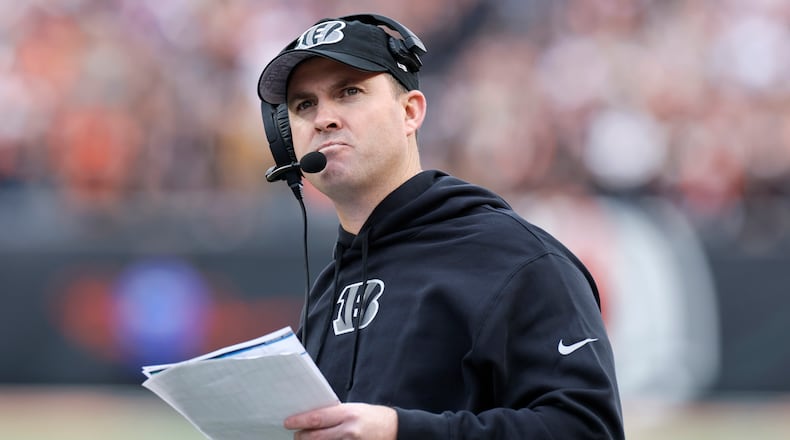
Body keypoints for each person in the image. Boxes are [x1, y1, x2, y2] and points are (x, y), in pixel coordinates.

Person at [257, 13, 624, 440]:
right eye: (305, 105)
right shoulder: (328, 291)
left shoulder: (518, 259)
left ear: (410, 112)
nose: (324, 118)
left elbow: (587, 430)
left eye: (350, 91)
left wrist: (400, 431)